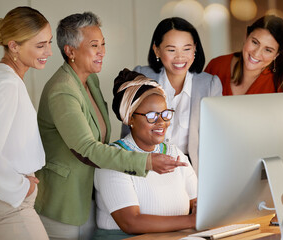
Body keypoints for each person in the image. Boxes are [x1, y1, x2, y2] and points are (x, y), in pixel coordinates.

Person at [34, 12, 186, 240]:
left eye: (103, 44)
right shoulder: (62, 90)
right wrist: (146, 161)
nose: (102, 51)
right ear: (70, 51)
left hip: (90, 198)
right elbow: (87, 148)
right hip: (65, 202)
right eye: (94, 45)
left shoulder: (89, 80)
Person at [0, 6, 52, 240]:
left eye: (48, 42)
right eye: (40, 45)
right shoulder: (7, 84)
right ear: (13, 45)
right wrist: (20, 187)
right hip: (5, 206)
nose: (48, 51)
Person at [93, 69, 197, 240]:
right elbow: (131, 222)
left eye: (165, 114)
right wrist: (191, 221)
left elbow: (198, 202)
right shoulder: (112, 159)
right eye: (151, 116)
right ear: (130, 119)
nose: (161, 122)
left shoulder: (174, 152)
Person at [122, 17, 222, 173]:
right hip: (147, 165)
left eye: (187, 49)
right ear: (157, 50)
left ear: (195, 49)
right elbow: (128, 131)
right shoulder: (141, 76)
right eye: (171, 49)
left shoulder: (210, 85)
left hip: (191, 170)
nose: (180, 57)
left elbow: (216, 141)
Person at [204, 15, 283, 96]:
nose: (257, 53)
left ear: (276, 55)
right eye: (255, 42)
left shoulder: (282, 81)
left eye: (268, 50)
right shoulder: (217, 66)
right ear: (246, 37)